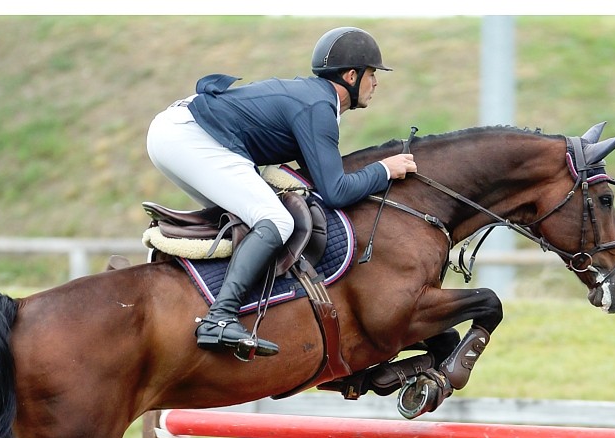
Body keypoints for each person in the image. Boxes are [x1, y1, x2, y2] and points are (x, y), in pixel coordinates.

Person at [147, 26, 417, 358]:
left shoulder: (314, 99)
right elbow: (335, 192)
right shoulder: (318, 107)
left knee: (250, 220)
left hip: (176, 133)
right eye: (372, 74)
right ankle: (219, 318)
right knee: (275, 219)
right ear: (351, 75)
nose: (375, 83)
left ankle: (210, 301)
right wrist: (384, 170)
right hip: (188, 136)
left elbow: (320, 181)